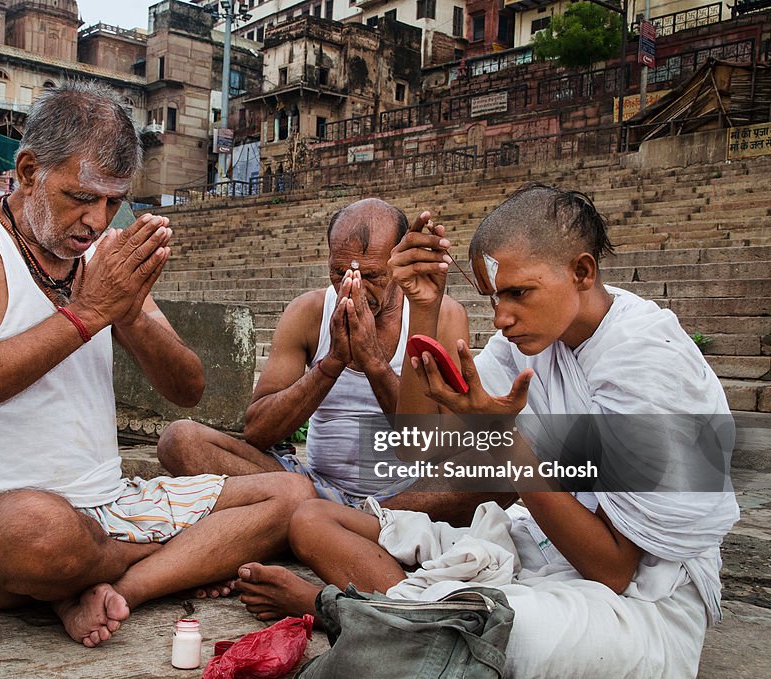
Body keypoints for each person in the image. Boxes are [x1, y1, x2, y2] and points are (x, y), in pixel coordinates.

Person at [232, 185, 739, 677]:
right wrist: (424, 309)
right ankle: (405, 613)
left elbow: (613, 569)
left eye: (518, 293)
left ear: (582, 271)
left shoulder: (648, 361)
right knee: (314, 520)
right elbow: (421, 447)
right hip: (543, 546)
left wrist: (503, 437)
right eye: (494, 297)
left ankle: (341, 609)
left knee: (504, 632)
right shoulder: (530, 338)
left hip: (645, 600)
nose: (501, 318)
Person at [0, 81, 315, 648]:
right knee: (41, 532)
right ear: (28, 172)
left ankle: (119, 587)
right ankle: (164, 563)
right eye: (81, 197)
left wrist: (130, 314)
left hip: (110, 506)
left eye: (114, 202)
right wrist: (88, 313)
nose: (97, 221)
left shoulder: (107, 256)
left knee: (290, 495)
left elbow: (187, 388)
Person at [158, 198, 501, 523]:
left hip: (405, 496)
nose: (353, 287)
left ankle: (347, 521)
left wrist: (373, 362)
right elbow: (258, 432)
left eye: (372, 276)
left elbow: (431, 448)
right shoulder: (308, 312)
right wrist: (333, 362)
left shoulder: (442, 315)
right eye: (339, 272)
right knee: (181, 440)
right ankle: (328, 520)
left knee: (500, 465)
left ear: (398, 267)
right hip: (309, 486)